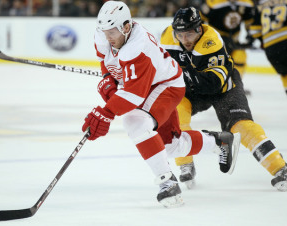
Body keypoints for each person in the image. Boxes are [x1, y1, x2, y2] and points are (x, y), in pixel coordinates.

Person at [82, 1, 241, 208]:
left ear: (127, 27)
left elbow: (133, 95)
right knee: (170, 146)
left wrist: (106, 112)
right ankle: (220, 141)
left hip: (167, 86)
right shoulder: (105, 36)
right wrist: (106, 77)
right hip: (147, 87)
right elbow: (106, 59)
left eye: (112, 31)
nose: (107, 37)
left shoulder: (137, 48)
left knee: (134, 122)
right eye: (104, 31)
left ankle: (167, 183)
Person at [160, 7, 287, 191]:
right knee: (175, 117)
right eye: (180, 35)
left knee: (241, 126)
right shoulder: (167, 38)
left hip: (224, 87)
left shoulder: (211, 41)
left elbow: (213, 83)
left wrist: (179, 74)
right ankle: (185, 162)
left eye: (189, 34)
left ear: (199, 29)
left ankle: (279, 167)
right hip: (191, 89)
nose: (184, 40)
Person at [200, 0, 255, 95]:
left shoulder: (246, 3)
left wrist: (251, 35)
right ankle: (212, 86)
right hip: (214, 41)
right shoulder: (212, 2)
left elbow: (249, 21)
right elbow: (200, 21)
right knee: (215, 63)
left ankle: (235, 86)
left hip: (234, 41)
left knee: (240, 57)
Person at [248, 0, 287, 95]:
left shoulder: (259, 6)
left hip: (271, 50)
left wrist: (264, 41)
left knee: (284, 72)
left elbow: (254, 32)